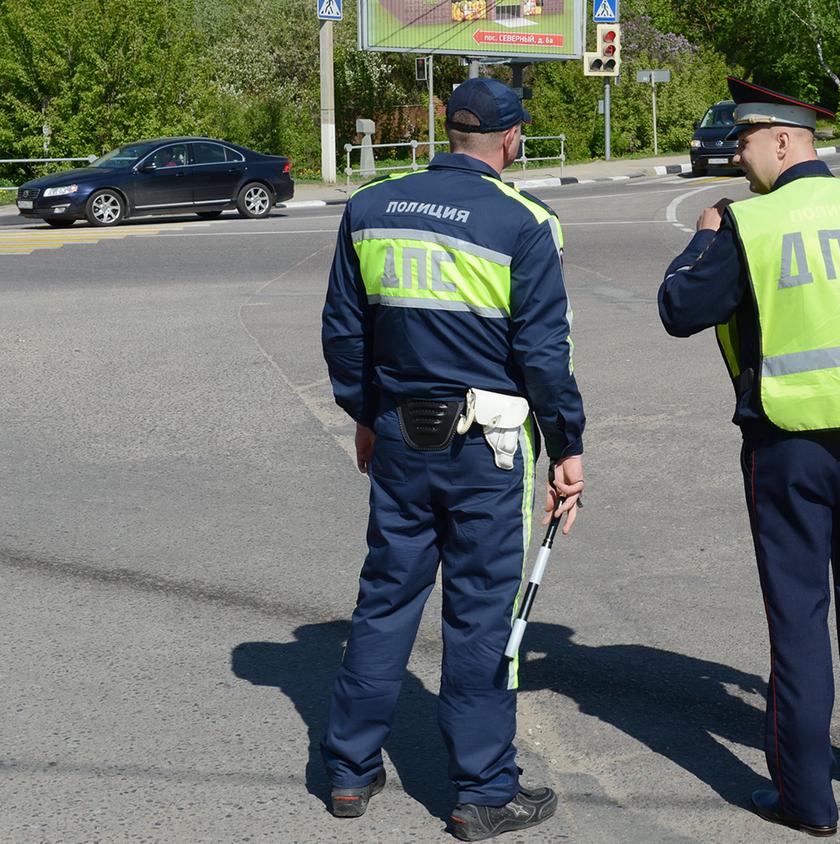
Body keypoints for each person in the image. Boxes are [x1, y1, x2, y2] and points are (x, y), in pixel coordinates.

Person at [657, 77, 840, 836]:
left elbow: (678, 311)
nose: (738, 157)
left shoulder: (747, 226)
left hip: (786, 450)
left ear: (784, 140)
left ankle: (806, 801)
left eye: (745, 142)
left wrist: (702, 233)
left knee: (798, 621)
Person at [320, 77, 584, 841]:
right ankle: (482, 791)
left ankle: (348, 771)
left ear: (446, 130)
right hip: (489, 451)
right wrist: (568, 448)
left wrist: (365, 414)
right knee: (481, 616)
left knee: (385, 598)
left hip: (400, 434)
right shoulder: (526, 221)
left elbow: (344, 329)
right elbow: (543, 356)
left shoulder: (371, 206)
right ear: (510, 141)